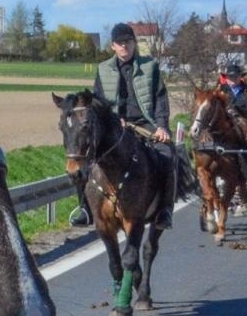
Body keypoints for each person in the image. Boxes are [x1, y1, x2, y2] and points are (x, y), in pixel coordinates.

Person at [68, 22, 177, 229]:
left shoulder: (150, 66)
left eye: (127, 42)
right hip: (115, 124)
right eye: (119, 43)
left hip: (145, 122)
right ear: (113, 46)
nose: (124, 46)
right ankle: (84, 208)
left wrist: (162, 126)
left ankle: (164, 210)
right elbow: (98, 102)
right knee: (86, 155)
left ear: (133, 44)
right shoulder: (103, 69)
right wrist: (112, 120)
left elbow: (161, 98)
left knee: (167, 154)